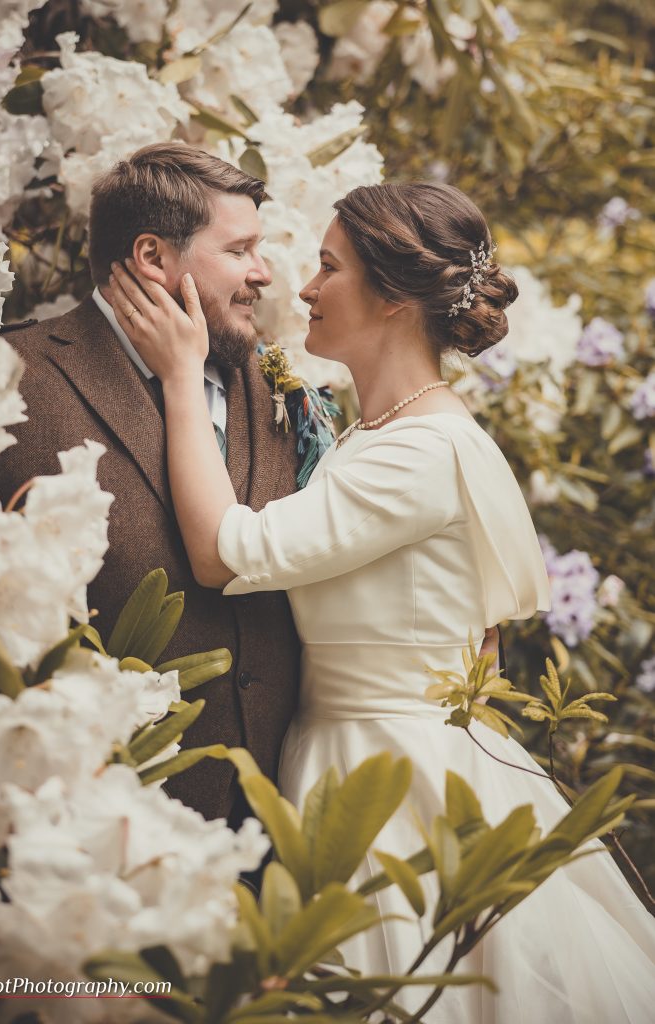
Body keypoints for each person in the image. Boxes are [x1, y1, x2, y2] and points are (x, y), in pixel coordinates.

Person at [106, 180, 655, 1022]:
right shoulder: (383, 432)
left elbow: (225, 553)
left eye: (328, 267)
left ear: (394, 298)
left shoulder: (420, 452)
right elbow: (476, 643)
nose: (306, 287)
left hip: (387, 782)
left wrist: (183, 376)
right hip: (363, 749)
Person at [0, 143, 302, 827]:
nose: (264, 274)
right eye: (240, 250)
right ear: (153, 257)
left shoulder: (275, 385)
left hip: (274, 816)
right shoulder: (8, 376)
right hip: (92, 819)